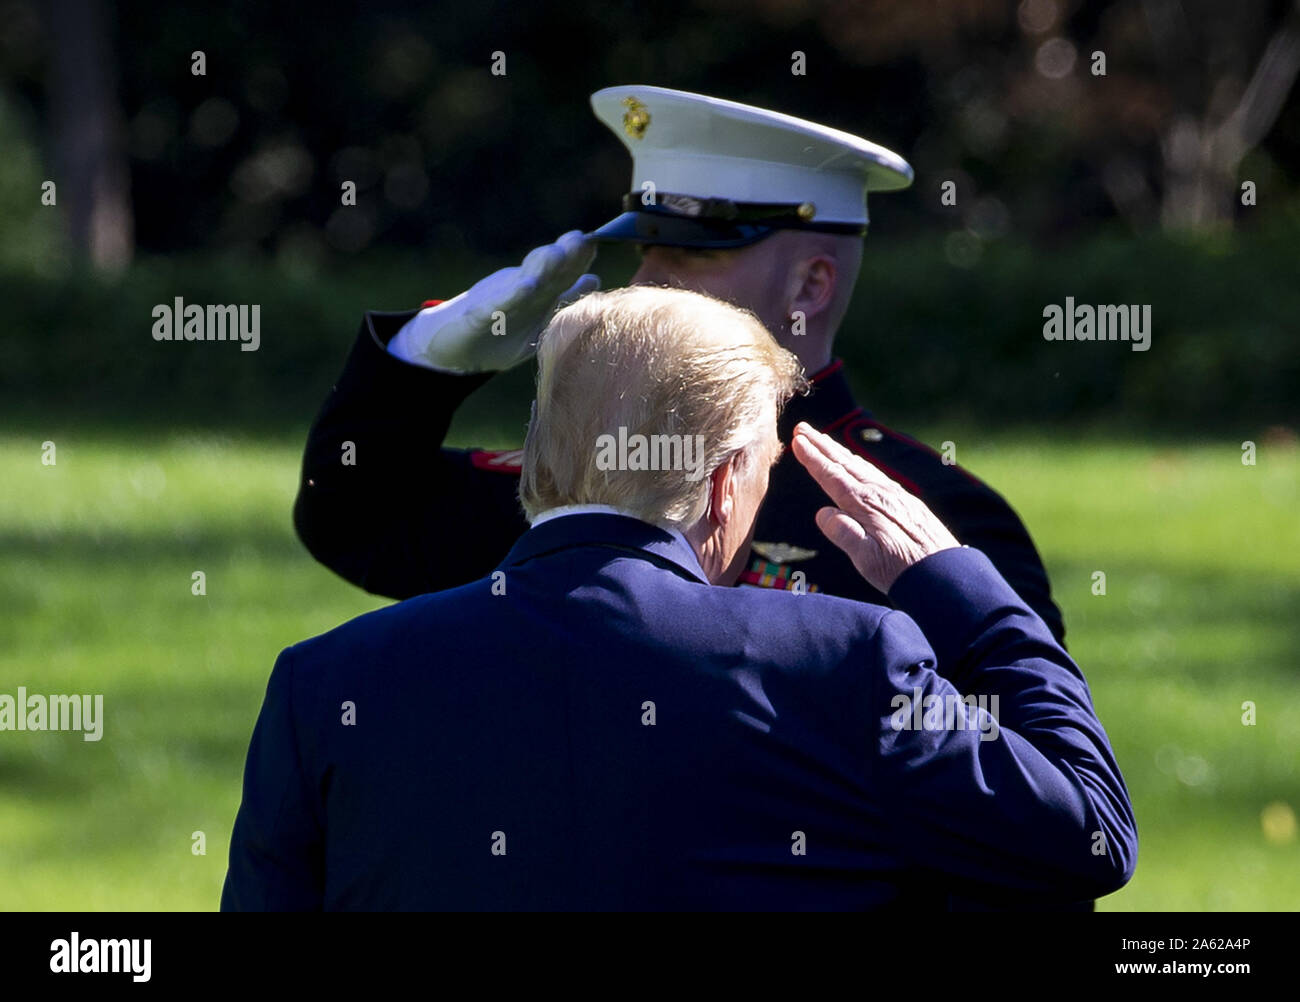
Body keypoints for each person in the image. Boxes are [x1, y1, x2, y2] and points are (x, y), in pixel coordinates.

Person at [224, 287, 1135, 910]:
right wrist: (959, 586)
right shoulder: (851, 660)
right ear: (728, 481)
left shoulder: (324, 684)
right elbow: (1087, 834)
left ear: (538, 459)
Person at [293, 86, 1067, 645]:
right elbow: (355, 519)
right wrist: (422, 363)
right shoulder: (592, 475)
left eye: (693, 256)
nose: (645, 285)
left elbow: (1020, 789)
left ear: (811, 283)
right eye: (645, 252)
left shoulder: (936, 515)